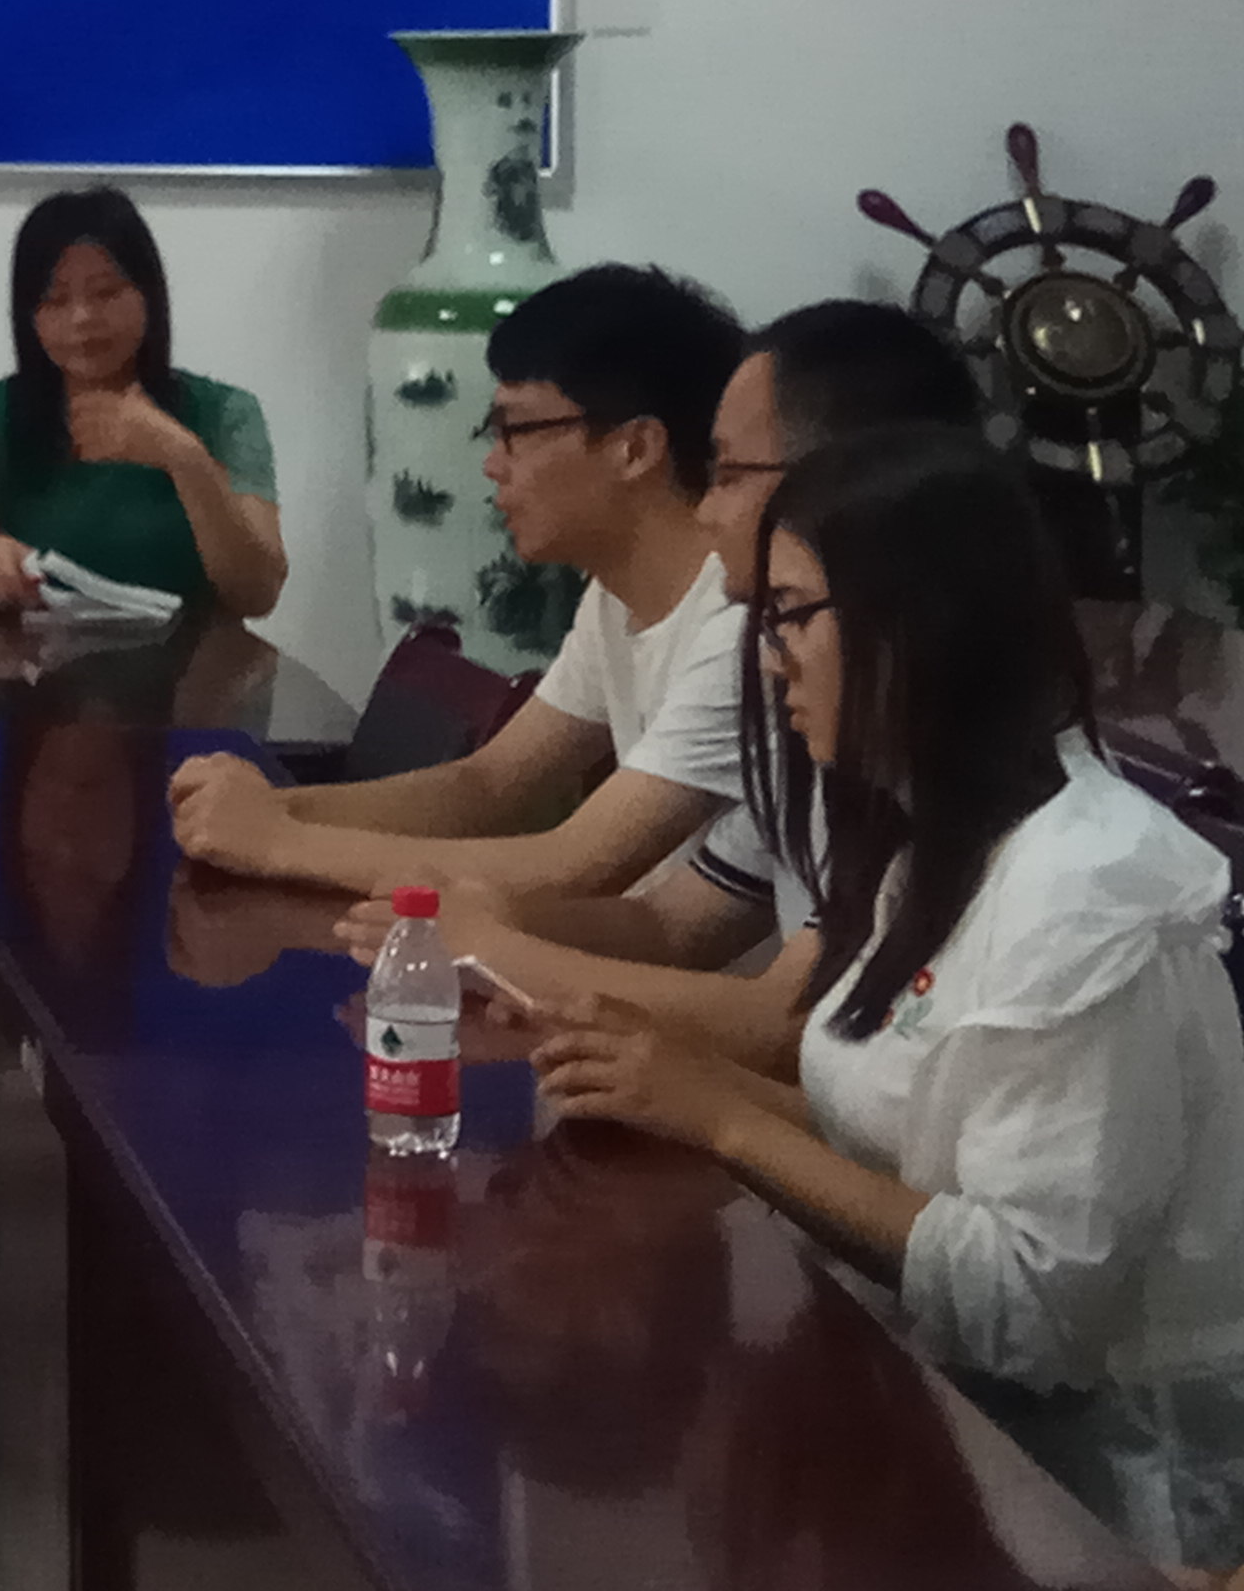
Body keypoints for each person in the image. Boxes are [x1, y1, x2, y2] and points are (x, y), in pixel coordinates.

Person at [533, 429, 1244, 1572]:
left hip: (1101, 1500)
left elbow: (1025, 1310)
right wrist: (677, 1086)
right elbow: (903, 1143)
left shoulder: (1084, 893)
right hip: (941, 1420)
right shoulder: (925, 831)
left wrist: (722, 1119)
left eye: (789, 617)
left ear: (918, 623)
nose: (770, 662)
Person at [336, 298, 980, 1039]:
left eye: (729, 474)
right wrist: (488, 927)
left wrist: (498, 947)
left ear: (856, 485)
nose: (706, 511)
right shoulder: (803, 678)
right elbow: (674, 924)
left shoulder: (881, 713)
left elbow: (785, 1023)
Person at [169, 260, 746, 901]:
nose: (492, 465)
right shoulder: (614, 595)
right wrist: (270, 808)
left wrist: (277, 840)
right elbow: (488, 784)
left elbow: (575, 863)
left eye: (515, 431)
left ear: (634, 449)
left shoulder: (737, 627)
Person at [0, 188, 285, 616]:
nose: (82, 317)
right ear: (28, 316)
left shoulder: (227, 412)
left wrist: (185, 458)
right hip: (38, 657)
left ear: (149, 295)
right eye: (55, 300)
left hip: (195, 657)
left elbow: (257, 595)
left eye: (106, 292)